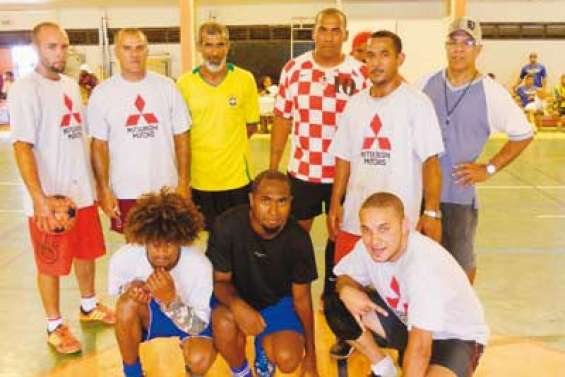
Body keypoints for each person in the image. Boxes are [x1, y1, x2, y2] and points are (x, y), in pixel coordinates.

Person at [327, 29, 443, 362]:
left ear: (399, 59)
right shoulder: (355, 105)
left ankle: (409, 350)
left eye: (384, 54)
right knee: (347, 290)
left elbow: (431, 161)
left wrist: (431, 211)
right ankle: (368, 352)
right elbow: (344, 157)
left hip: (398, 223)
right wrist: (337, 201)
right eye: (370, 55)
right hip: (356, 220)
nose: (376, 62)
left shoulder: (416, 104)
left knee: (400, 293)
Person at [8, 22, 114, 354]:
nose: (59, 52)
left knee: (87, 254)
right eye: (52, 46)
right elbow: (22, 146)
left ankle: (88, 305)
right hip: (51, 200)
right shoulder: (25, 89)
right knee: (50, 264)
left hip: (80, 193)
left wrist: (97, 186)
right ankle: (54, 326)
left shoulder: (70, 85)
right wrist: (39, 199)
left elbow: (77, 138)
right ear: (37, 48)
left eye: (64, 46)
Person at [270, 9, 369, 336]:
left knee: (339, 236)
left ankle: (332, 295)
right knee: (295, 235)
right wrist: (273, 168)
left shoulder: (360, 73)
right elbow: (283, 119)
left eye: (335, 30)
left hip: (348, 175)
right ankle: (291, 289)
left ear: (344, 33)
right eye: (322, 30)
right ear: (313, 33)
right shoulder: (294, 69)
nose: (328, 36)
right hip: (304, 171)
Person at [418, 18, 533, 283]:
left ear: (478, 49)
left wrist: (489, 168)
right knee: (420, 262)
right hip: (421, 192)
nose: (459, 49)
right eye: (453, 42)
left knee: (460, 263)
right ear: (446, 46)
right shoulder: (426, 83)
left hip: (458, 194)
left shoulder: (492, 93)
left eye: (467, 43)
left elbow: (523, 134)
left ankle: (462, 316)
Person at [325, 192, 489, 377]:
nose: (374, 240)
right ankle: (383, 369)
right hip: (409, 323)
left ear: (404, 226)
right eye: (366, 230)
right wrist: (346, 288)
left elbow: (420, 348)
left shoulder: (422, 266)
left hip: (455, 337)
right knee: (336, 302)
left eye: (384, 228)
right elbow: (343, 276)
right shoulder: (366, 247)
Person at [207, 170, 318, 377]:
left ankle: (263, 347)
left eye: (282, 201)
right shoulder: (226, 225)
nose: (274, 211)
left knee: (288, 359)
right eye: (266, 201)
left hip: (277, 302)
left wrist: (311, 357)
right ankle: (241, 372)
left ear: (290, 202)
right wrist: (237, 305)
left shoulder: (298, 239)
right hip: (237, 296)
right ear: (252, 199)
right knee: (223, 323)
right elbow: (220, 282)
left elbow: (302, 299)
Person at [89, 28, 190, 234]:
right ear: (117, 52)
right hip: (125, 190)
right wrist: (104, 189)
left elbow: (182, 136)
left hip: (166, 188)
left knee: (168, 247)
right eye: (127, 48)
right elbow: (99, 145)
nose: (134, 54)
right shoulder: (102, 93)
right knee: (134, 249)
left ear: (147, 51)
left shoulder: (167, 87)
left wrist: (183, 183)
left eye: (139, 48)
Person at [109, 189, 215, 377]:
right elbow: (122, 318)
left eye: (169, 244)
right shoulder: (124, 258)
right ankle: (132, 372)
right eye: (155, 244)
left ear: (181, 240)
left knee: (200, 358)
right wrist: (131, 290)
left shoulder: (200, 265)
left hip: (189, 317)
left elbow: (199, 326)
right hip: (150, 317)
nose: (162, 252)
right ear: (144, 240)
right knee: (126, 306)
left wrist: (171, 301)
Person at [177, 21, 259, 230]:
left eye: (220, 45)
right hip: (200, 179)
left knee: (239, 234)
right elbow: (180, 135)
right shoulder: (184, 84)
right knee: (207, 236)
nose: (215, 52)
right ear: (198, 46)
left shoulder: (245, 79)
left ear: (228, 46)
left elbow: (251, 126)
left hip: (237, 179)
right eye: (208, 45)